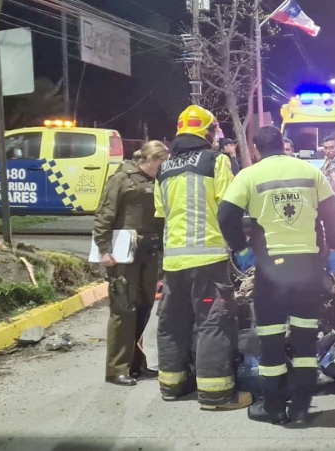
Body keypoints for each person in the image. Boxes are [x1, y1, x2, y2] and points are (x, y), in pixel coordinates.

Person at [217, 126, 335, 426]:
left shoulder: (249, 175)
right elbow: (333, 215)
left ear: (257, 149)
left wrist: (242, 248)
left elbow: (225, 215)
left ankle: (273, 407)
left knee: (271, 339)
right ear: (283, 145)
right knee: (305, 339)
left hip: (271, 268)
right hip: (307, 266)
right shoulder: (310, 172)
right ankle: (301, 409)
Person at [154, 105, 252, 410]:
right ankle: (215, 394)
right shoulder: (215, 160)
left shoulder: (164, 168)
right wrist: (242, 245)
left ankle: (173, 385)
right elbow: (228, 208)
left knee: (173, 322)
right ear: (207, 133)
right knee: (214, 322)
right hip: (207, 261)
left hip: (173, 263)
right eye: (213, 132)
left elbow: (161, 215)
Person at [93, 140, 168, 387]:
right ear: (149, 159)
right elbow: (105, 214)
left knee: (145, 305)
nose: (163, 167)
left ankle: (136, 364)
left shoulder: (158, 181)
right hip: (123, 251)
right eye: (160, 162)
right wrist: (103, 250)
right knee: (123, 308)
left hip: (149, 250)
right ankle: (116, 369)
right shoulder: (122, 178)